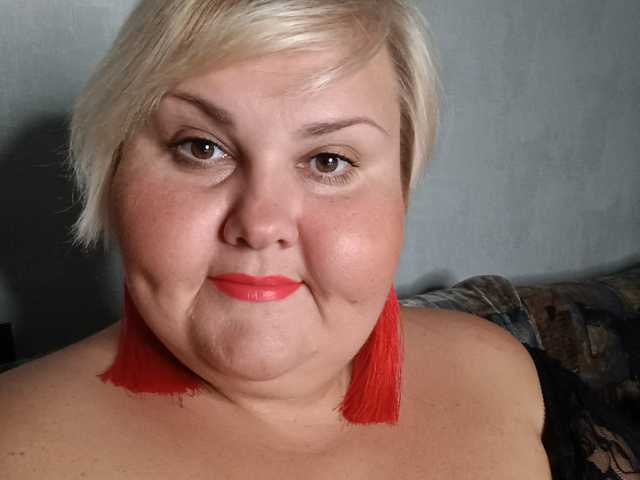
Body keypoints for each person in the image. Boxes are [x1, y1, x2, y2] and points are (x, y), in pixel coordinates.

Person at [0, 1, 553, 478]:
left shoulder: (505, 374)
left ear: (402, 194)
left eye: (328, 160)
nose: (261, 225)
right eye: (201, 148)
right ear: (113, 172)